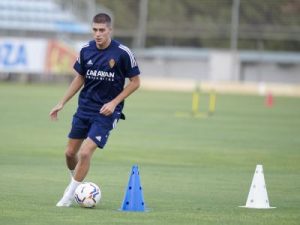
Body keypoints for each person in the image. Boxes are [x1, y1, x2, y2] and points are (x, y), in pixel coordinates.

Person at [49, 13, 140, 207]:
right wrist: (61, 102)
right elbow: (80, 77)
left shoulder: (123, 53)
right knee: (69, 153)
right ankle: (74, 183)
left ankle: (68, 197)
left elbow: (135, 82)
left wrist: (114, 103)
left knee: (85, 153)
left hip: (106, 113)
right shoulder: (85, 50)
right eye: (94, 30)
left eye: (101, 30)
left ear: (110, 30)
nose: (97, 34)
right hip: (85, 108)